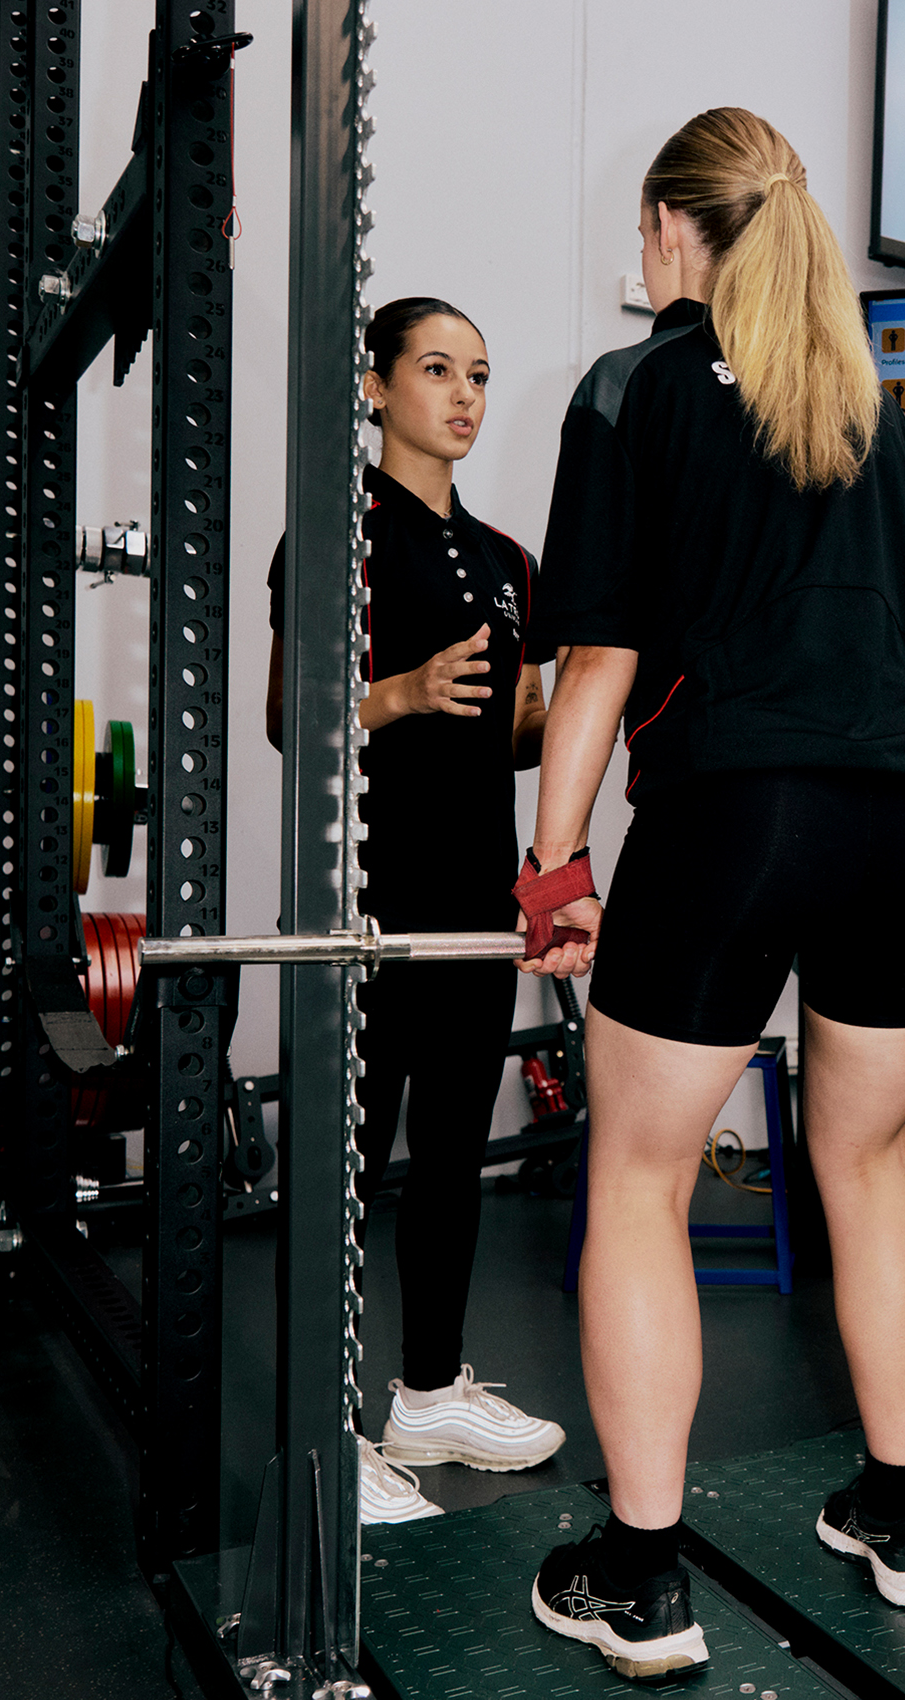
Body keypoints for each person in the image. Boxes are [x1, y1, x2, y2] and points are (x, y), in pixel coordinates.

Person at [515, 108, 905, 1683]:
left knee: (641, 1177)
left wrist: (558, 860)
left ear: (670, 227)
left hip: (748, 811)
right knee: (870, 1162)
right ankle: (903, 1514)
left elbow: (600, 653)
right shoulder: (875, 411)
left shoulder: (633, 384)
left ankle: (641, 1577)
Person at [264, 296, 567, 1525]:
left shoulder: (508, 560)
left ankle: (430, 1389)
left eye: (480, 376)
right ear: (377, 386)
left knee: (451, 1154)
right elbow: (295, 719)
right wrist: (398, 690)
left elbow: (523, 731)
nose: (464, 396)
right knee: (347, 1158)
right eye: (437, 369)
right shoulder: (333, 533)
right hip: (371, 901)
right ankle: (324, 1430)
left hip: (474, 902)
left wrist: (617, 676)